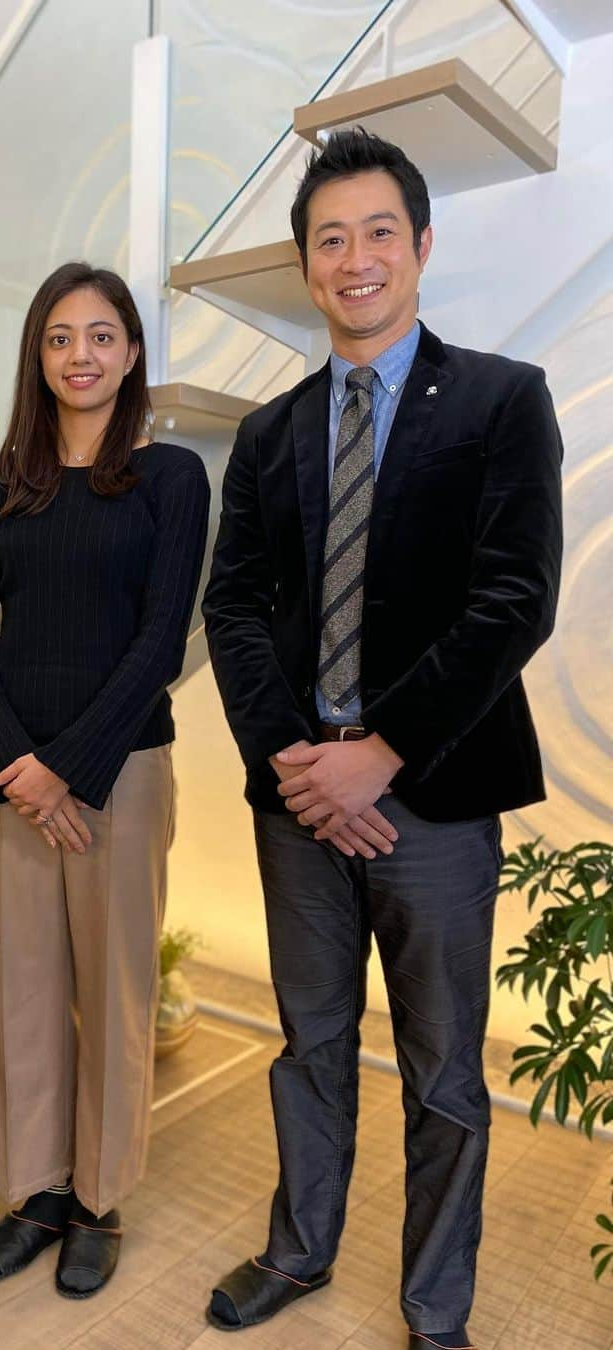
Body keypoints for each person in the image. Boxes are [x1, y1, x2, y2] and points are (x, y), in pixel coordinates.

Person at [201, 129, 562, 1348]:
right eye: (329, 239)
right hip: (300, 799)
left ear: (419, 246)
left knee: (445, 1072)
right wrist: (304, 769)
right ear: (307, 266)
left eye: (377, 234)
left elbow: (515, 599)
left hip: (439, 797)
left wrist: (383, 750)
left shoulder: (505, 401)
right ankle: (299, 1253)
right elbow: (235, 608)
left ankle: (434, 1312)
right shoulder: (268, 434)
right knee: (308, 1046)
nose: (354, 259)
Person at [0, 261, 209, 1298]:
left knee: (113, 992)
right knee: (23, 991)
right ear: (38, 355)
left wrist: (70, 771)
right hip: (19, 780)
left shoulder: (173, 478)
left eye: (101, 336)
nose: (81, 355)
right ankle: (36, 1191)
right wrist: (24, 770)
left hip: (122, 772)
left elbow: (160, 642)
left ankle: (100, 1199)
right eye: (60, 338)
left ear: (132, 352)